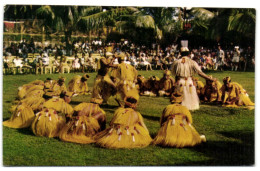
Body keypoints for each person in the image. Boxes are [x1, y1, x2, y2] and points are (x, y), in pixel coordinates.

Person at [171, 41, 215, 110]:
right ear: (188, 54)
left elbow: (176, 75)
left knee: (180, 97)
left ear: (180, 53)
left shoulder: (176, 62)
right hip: (189, 82)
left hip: (180, 82)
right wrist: (209, 78)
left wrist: (176, 82)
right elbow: (200, 72)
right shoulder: (192, 62)